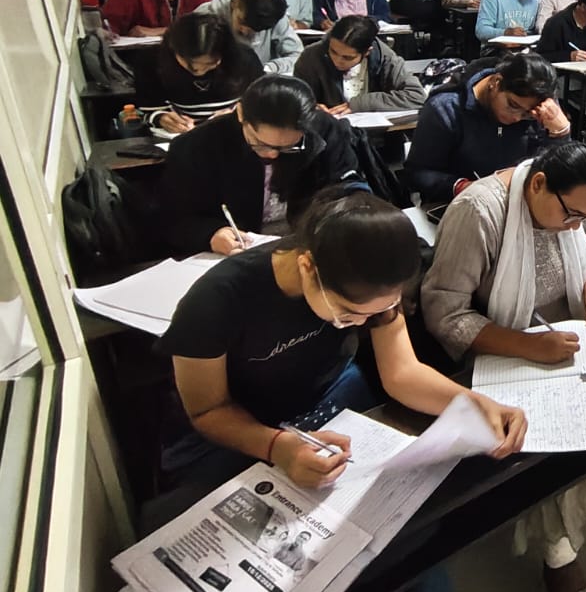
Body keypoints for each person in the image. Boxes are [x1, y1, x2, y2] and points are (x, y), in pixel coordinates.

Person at [156, 187, 525, 512]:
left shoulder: (373, 284)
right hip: (241, 426)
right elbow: (208, 409)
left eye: (376, 313)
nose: (363, 324)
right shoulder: (217, 300)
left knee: (405, 522)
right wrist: (277, 447)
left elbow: (402, 372)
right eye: (348, 315)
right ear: (306, 266)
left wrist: (475, 403)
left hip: (330, 398)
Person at [421, 143, 586, 592]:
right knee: (555, 432)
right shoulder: (479, 213)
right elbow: (445, 314)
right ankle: (559, 551)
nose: (576, 226)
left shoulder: (574, 205)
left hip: (565, 332)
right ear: (539, 184)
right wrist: (528, 345)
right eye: (571, 215)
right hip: (502, 341)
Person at [159, 75, 363, 256]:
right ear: (241, 114)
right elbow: (175, 219)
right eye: (260, 143)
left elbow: (347, 189)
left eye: (288, 147)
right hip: (238, 251)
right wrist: (210, 234)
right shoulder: (196, 146)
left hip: (306, 243)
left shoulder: (325, 131)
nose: (272, 154)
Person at [404, 52, 570, 205]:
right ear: (496, 82)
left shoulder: (540, 110)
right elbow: (418, 173)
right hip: (457, 205)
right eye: (513, 105)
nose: (517, 118)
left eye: (527, 114)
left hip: (517, 204)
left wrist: (560, 134)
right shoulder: (445, 108)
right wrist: (462, 187)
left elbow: (555, 173)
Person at [134, 13, 263, 134]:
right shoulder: (153, 61)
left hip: (235, 133)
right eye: (189, 63)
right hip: (180, 136)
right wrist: (160, 117)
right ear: (174, 49)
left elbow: (262, 101)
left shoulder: (244, 59)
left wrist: (238, 114)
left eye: (210, 63)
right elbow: (145, 107)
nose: (198, 70)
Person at [294, 16, 426, 115]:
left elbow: (417, 96)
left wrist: (363, 104)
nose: (337, 60)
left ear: (367, 52)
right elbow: (294, 99)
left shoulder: (384, 57)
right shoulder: (311, 56)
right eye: (333, 52)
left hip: (378, 135)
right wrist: (310, 106)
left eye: (348, 57)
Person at [197, 0, 304, 74]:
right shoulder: (205, 15)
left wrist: (271, 67)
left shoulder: (274, 16)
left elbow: (298, 56)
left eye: (254, 31)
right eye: (241, 22)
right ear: (235, 3)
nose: (244, 31)